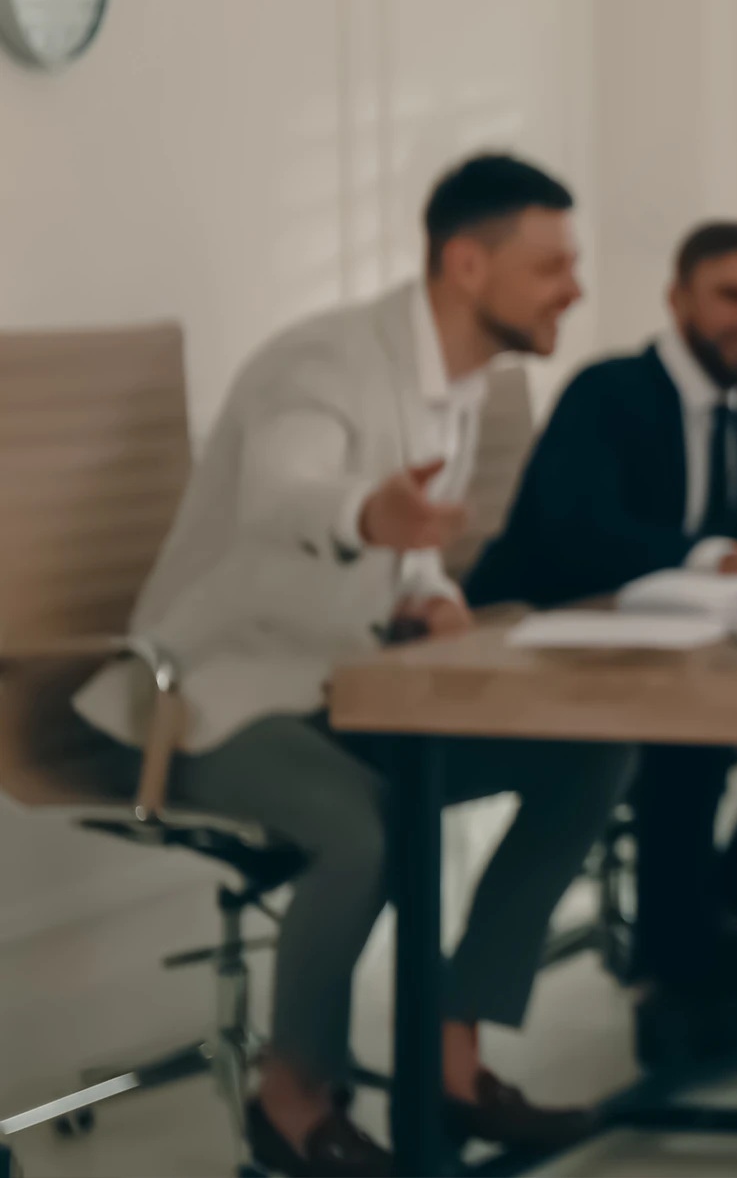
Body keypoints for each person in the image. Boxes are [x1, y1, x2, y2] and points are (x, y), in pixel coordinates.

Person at [71, 154, 629, 1178]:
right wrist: (368, 514)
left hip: (344, 683)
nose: (575, 288)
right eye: (553, 265)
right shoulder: (323, 362)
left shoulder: (456, 387)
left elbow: (407, 550)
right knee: (363, 827)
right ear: (467, 262)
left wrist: (426, 590)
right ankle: (291, 1104)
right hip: (212, 695)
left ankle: (451, 1057)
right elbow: (287, 490)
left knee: (588, 752)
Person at [467, 220, 737, 1058]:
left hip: (669, 654)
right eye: (733, 296)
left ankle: (709, 924)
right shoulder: (608, 389)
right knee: (689, 736)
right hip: (543, 648)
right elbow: (576, 533)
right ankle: (680, 976)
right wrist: (727, 556)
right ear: (679, 299)